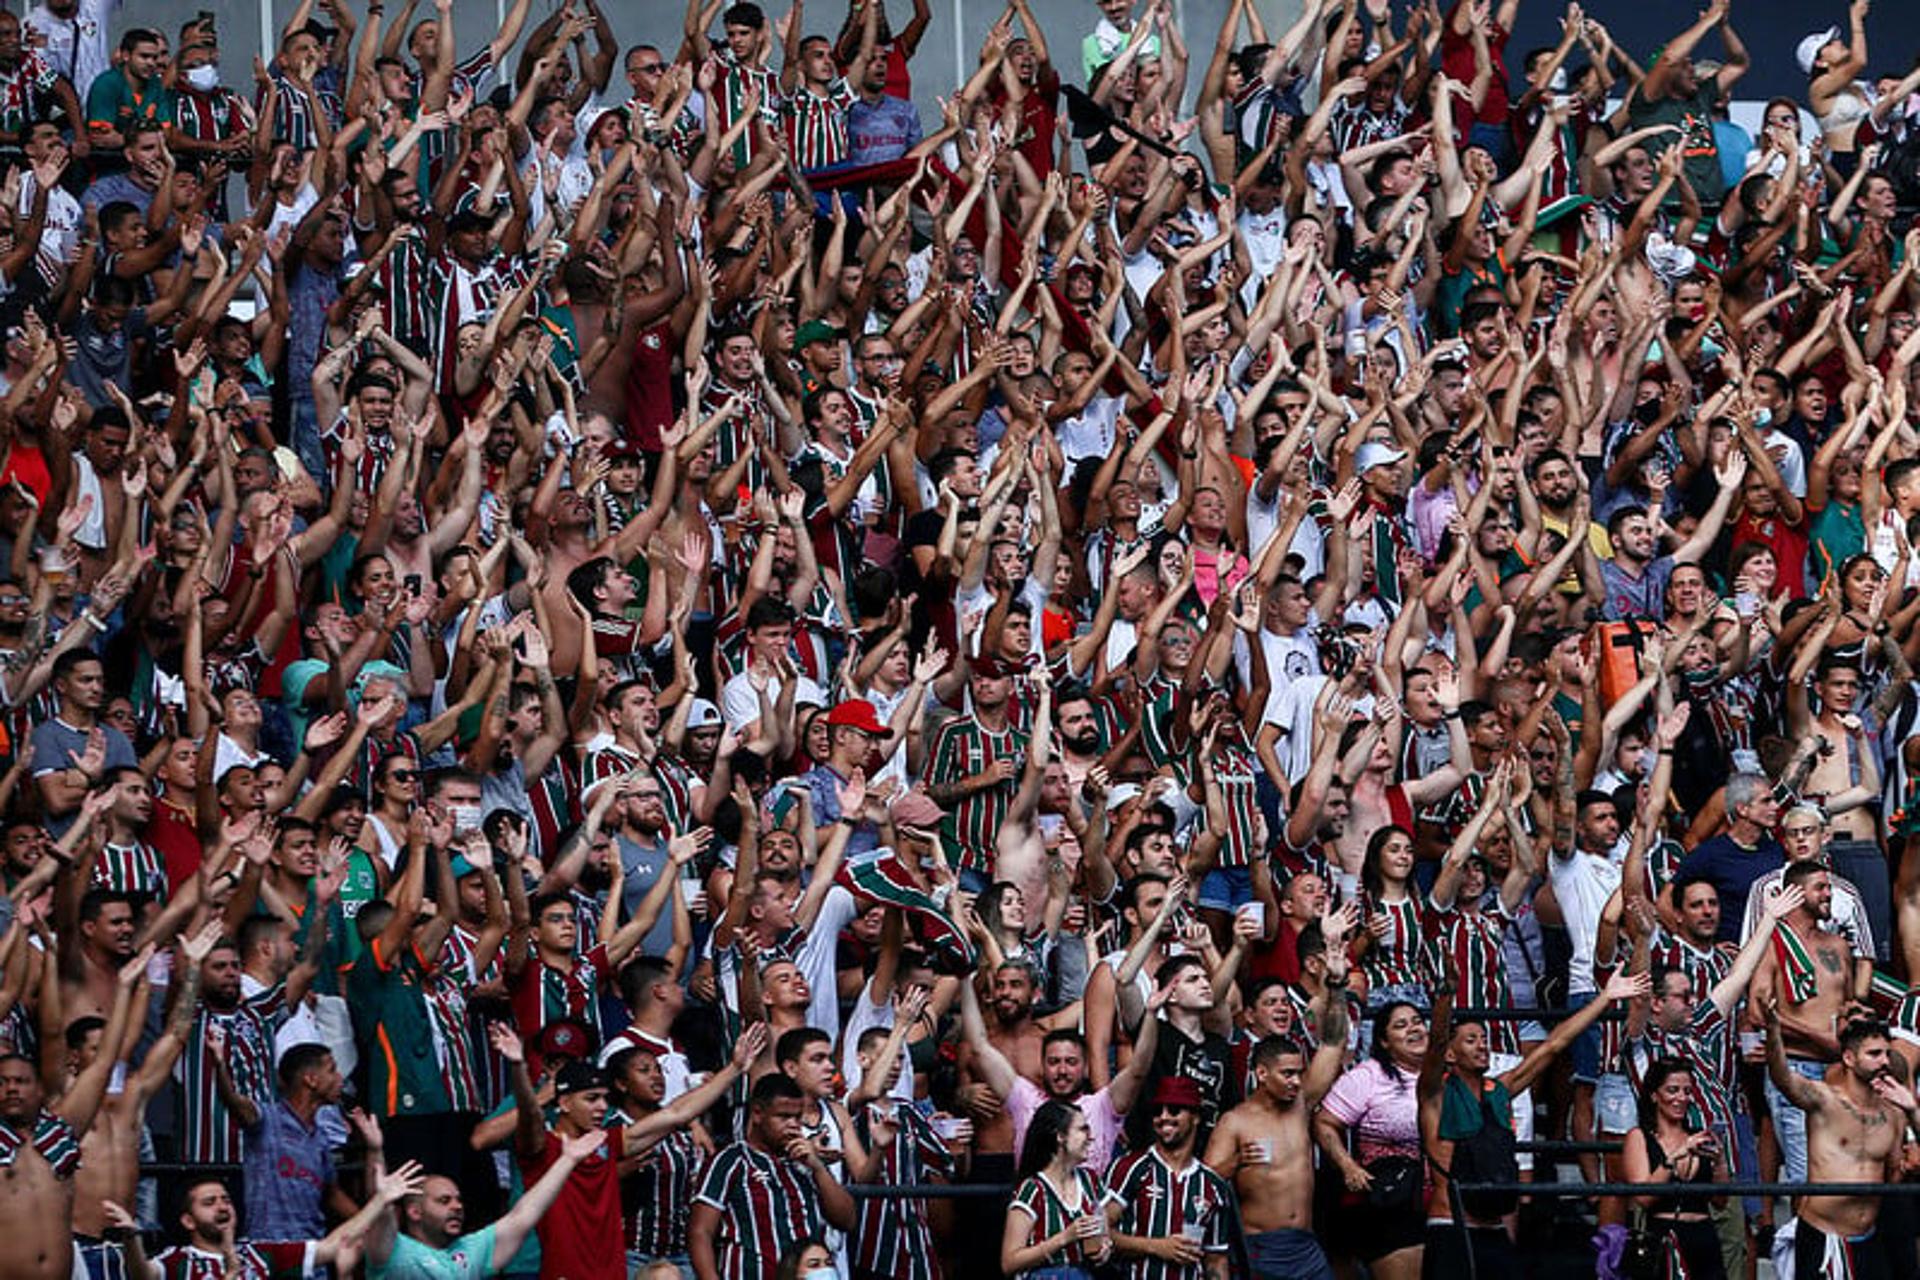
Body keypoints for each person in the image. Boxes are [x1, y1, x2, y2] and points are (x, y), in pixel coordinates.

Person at [1203, 902, 1351, 1280]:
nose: (1296, 1081)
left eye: (1299, 1073)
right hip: (1259, 1247)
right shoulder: (1235, 1122)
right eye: (1286, 1074)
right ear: (1261, 1073)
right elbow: (1202, 1186)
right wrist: (1234, 1164)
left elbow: (1333, 1042)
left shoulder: (1301, 1105)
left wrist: (1335, 983)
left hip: (1306, 1242)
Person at [1621, 1058, 1728, 1280]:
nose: (1681, 1098)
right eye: (1672, 1090)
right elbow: (1644, 1197)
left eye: (1687, 1091)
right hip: (1663, 1235)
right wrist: (1676, 1155)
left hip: (1704, 1235)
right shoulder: (1639, 1137)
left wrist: (1719, 1162)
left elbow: (1720, 1201)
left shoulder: (1699, 1135)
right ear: (1654, 1095)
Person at [1000, 1099, 1113, 1280]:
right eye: (1082, 1129)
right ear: (1060, 1136)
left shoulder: (1090, 1181)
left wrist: (1104, 1249)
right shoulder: (1033, 1189)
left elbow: (1105, 1235)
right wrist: (1064, 1238)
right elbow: (1009, 1262)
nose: (1090, 1137)